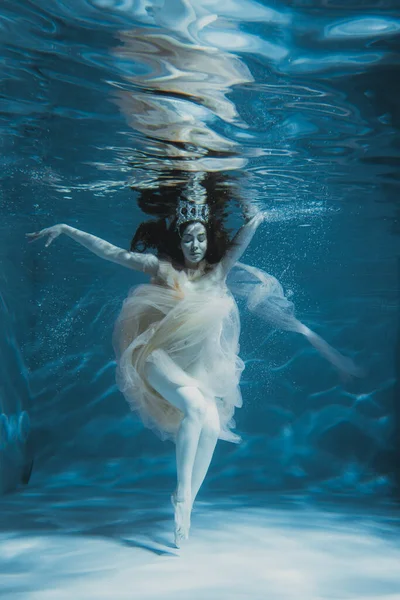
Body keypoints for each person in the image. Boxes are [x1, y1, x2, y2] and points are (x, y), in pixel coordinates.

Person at [27, 186, 360, 548]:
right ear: (180, 242)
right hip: (155, 359)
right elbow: (114, 254)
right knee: (198, 408)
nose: (195, 245)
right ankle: (182, 495)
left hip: (195, 370)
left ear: (208, 239)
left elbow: (248, 230)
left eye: (201, 238)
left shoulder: (217, 275)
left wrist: (246, 203)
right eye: (188, 239)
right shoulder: (163, 270)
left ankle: (188, 503)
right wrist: (67, 229)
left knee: (213, 426)